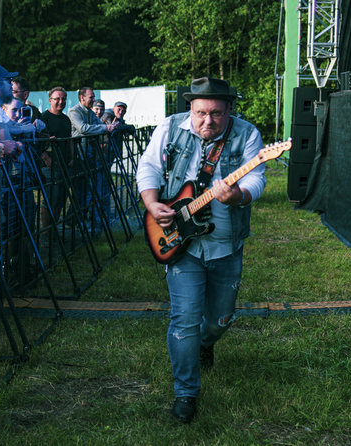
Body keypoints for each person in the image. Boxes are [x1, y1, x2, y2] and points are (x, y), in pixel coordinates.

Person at [135, 77, 266, 423]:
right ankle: (186, 393)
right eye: (201, 113)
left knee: (221, 319)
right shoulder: (169, 127)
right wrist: (152, 202)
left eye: (217, 114)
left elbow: (257, 177)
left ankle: (207, 343)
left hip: (226, 244)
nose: (208, 121)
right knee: (184, 319)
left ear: (229, 111)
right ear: (190, 109)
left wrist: (237, 195)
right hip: (183, 245)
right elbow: (147, 166)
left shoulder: (248, 134)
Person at [67, 87, 118, 229]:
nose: (93, 100)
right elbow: (83, 128)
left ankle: (75, 220)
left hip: (88, 156)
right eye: (91, 97)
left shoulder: (89, 112)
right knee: (80, 190)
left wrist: (108, 127)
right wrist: (106, 129)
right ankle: (72, 220)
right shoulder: (74, 111)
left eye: (94, 97)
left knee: (86, 190)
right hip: (78, 156)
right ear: (82, 98)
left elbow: (99, 125)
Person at [39, 86, 73, 228]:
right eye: (57, 99)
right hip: (49, 165)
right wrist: (46, 157)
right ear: (50, 100)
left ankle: (54, 228)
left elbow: (70, 138)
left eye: (63, 99)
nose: (61, 101)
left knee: (61, 198)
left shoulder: (66, 119)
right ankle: (46, 231)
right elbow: (37, 140)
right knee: (50, 197)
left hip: (65, 164)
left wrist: (72, 157)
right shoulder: (43, 118)